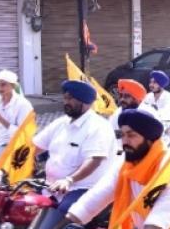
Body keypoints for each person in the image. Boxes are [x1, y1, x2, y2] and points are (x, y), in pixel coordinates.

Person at [32, 80, 117, 212]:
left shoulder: (98, 127)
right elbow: (33, 147)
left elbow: (94, 160)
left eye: (70, 99)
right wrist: (3, 164)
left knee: (64, 214)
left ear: (84, 102)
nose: (65, 102)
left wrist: (69, 180)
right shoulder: (60, 123)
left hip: (83, 187)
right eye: (65, 98)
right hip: (51, 186)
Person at [0, 70, 34, 164]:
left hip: (14, 145)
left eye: (3, 84)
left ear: (13, 86)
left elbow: (24, 134)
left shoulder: (23, 105)